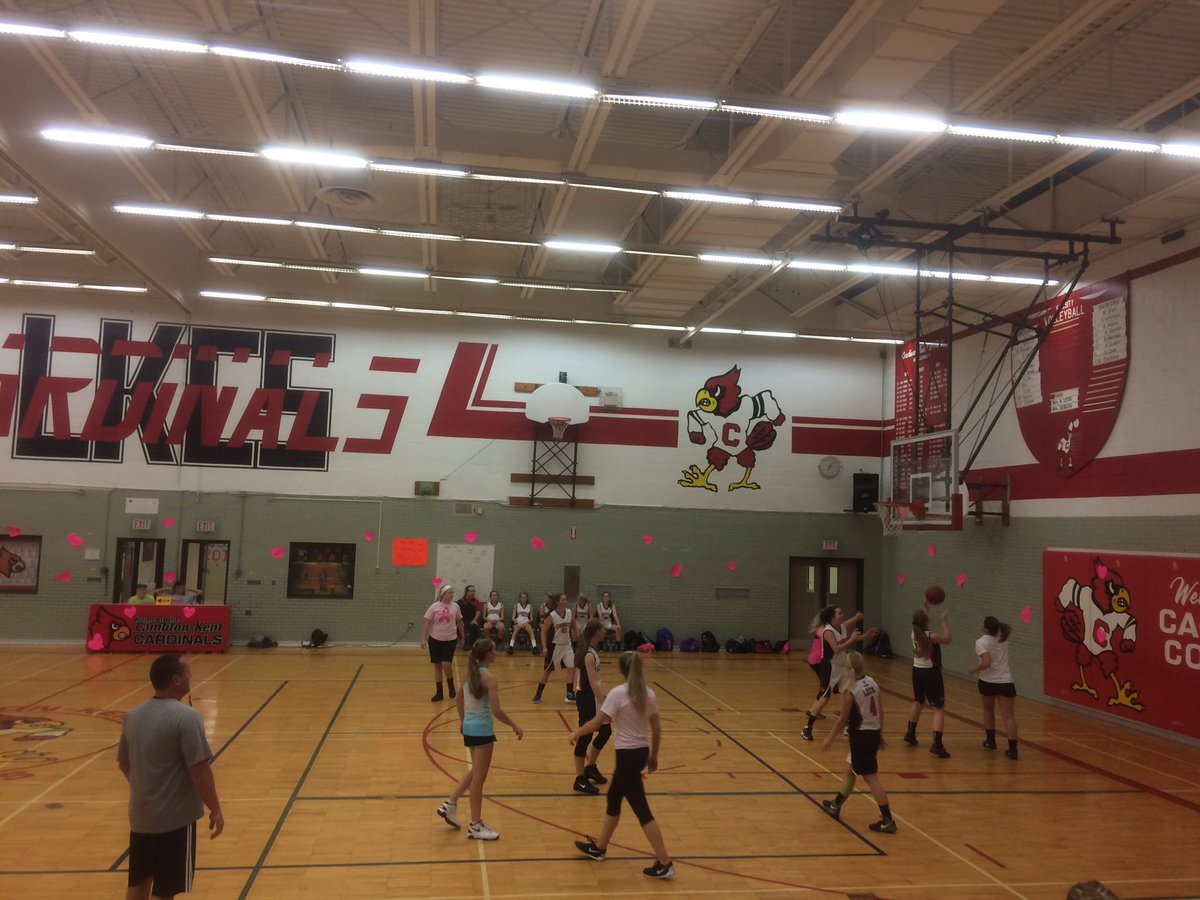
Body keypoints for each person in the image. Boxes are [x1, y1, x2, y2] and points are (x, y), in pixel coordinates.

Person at [117, 653, 223, 900]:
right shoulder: (187, 717)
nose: (191, 676)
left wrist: (148, 791)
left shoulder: (133, 715)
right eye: (187, 672)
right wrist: (215, 808)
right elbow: (199, 769)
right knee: (166, 889)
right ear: (176, 680)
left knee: (139, 882)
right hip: (174, 820)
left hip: (141, 816)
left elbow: (123, 763)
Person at [570, 652, 674, 880]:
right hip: (640, 753)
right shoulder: (649, 694)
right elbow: (656, 728)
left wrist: (576, 733)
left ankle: (664, 862)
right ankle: (600, 847)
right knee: (614, 799)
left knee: (641, 809)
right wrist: (654, 756)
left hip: (627, 757)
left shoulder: (618, 693)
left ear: (622, 670)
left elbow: (598, 722)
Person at [437, 638, 523, 841]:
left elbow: (458, 699)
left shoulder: (471, 674)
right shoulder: (490, 678)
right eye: (495, 649)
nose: (497, 652)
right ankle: (475, 825)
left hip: (469, 728)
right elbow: (497, 710)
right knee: (479, 779)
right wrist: (514, 725)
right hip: (482, 730)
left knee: (475, 770)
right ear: (488, 654)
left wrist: (463, 720)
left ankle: (450, 804)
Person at [819, 651, 896, 833]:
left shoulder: (850, 690)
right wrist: (880, 733)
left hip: (861, 736)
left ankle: (888, 820)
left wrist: (829, 738)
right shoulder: (872, 682)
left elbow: (842, 719)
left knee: (871, 778)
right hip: (872, 732)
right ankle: (836, 805)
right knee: (850, 770)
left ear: (847, 668)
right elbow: (881, 710)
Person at [801, 605, 864, 742]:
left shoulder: (839, 626)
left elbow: (847, 624)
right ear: (832, 617)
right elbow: (836, 649)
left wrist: (866, 635)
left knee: (847, 694)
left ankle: (849, 724)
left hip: (842, 666)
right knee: (824, 698)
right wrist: (852, 640)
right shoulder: (827, 631)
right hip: (829, 666)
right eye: (839, 613)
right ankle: (807, 727)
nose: (842, 615)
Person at [904, 606, 952, 757]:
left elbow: (920, 617)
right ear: (926, 621)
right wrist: (944, 621)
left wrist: (925, 604)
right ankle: (937, 744)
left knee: (918, 701)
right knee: (938, 708)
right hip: (931, 672)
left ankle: (910, 734)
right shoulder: (930, 635)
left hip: (916, 670)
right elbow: (948, 639)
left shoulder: (914, 632)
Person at [969, 615, 1019, 759]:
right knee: (1009, 718)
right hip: (1005, 681)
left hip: (988, 681)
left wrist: (974, 669)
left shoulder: (981, 641)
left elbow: (986, 662)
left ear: (985, 627)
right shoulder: (1003, 638)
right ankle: (1013, 750)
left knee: (988, 711)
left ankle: (991, 741)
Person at [571, 618, 611, 795]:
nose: (605, 631)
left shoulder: (592, 651)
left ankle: (590, 768)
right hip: (587, 698)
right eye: (603, 629)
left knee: (605, 731)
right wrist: (605, 704)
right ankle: (579, 779)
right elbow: (593, 684)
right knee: (585, 736)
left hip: (592, 697)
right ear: (596, 632)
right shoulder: (588, 654)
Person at [421, 584, 465, 702]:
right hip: (435, 639)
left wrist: (463, 637)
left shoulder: (455, 607)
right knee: (437, 666)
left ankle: (451, 686)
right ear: (443, 594)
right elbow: (427, 622)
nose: (452, 595)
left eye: (452, 593)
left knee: (446, 664)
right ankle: (439, 692)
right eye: (450, 593)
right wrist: (423, 639)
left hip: (450, 639)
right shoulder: (434, 606)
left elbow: (460, 622)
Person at [532, 593, 577, 704]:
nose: (566, 601)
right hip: (554, 646)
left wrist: (580, 642)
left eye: (566, 599)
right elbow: (543, 631)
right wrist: (544, 647)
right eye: (563, 599)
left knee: (572, 667)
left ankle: (570, 694)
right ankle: (538, 693)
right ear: (557, 602)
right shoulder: (552, 616)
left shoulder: (570, 612)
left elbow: (575, 627)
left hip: (567, 645)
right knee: (548, 671)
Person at [457, 585, 481, 650]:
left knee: (475, 627)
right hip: (462, 621)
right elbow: (457, 613)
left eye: (474, 591)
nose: (473, 593)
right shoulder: (460, 601)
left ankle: (471, 645)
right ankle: (464, 644)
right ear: (467, 592)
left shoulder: (476, 601)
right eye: (472, 591)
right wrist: (459, 622)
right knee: (458, 627)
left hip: (471, 620)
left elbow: (478, 612)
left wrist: (475, 620)